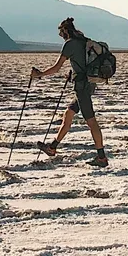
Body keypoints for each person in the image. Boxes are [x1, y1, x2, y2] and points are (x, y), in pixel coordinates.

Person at [31, 17, 108, 168]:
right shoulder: (83, 41)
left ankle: (102, 158)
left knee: (91, 121)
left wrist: (39, 75)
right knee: (69, 113)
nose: (60, 35)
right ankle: (52, 147)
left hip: (82, 88)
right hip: (88, 85)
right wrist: (73, 75)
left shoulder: (70, 44)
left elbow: (56, 67)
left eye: (60, 32)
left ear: (65, 30)